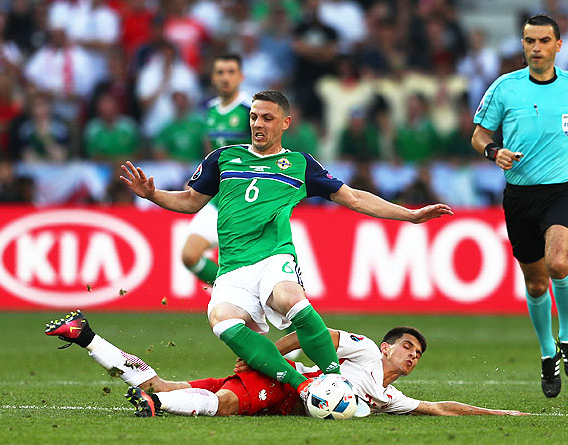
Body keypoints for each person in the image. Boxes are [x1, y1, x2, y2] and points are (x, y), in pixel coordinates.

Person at [120, 90, 453, 400]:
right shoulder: (223, 158)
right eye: (253, 117)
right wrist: (153, 195)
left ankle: (334, 379)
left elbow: (354, 198)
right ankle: (305, 387)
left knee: (289, 297)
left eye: (266, 118)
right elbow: (191, 201)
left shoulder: (299, 164)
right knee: (222, 319)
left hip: (273, 256)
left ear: (285, 123)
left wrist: (408, 215)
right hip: (233, 266)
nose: (257, 124)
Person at [471, 15, 568, 399]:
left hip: (562, 190)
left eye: (543, 41)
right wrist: (494, 151)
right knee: (536, 283)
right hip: (520, 196)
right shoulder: (505, 88)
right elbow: (479, 135)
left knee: (558, 263)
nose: (535, 48)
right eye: (528, 41)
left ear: (558, 45)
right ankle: (547, 352)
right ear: (522, 45)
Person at [44, 310, 526, 417]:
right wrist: (271, 351)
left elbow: (440, 408)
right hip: (285, 382)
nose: (412, 356)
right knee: (227, 405)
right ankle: (154, 407)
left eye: (417, 355)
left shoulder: (389, 396)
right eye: (406, 347)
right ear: (385, 347)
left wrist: (503, 414)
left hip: (284, 392)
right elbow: (319, 333)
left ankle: (87, 337)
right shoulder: (360, 350)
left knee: (170, 383)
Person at [181, 54, 251, 286]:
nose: (225, 77)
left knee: (248, 271)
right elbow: (211, 154)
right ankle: (224, 288)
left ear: (241, 76)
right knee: (190, 255)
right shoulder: (210, 111)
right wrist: (198, 180)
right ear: (212, 77)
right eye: (220, 72)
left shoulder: (249, 111)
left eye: (231, 72)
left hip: (245, 199)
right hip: (218, 197)